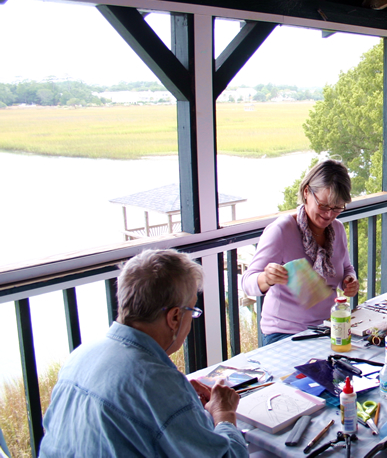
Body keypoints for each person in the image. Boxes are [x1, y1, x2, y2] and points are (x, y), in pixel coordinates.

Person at [40, 249, 247, 458]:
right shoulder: (156, 383)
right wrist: (224, 415)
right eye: (192, 311)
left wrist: (182, 406)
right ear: (175, 317)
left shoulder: (80, 355)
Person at [242, 159, 358, 345]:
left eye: (337, 208)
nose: (329, 214)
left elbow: (346, 268)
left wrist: (350, 281)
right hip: (284, 333)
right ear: (306, 192)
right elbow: (247, 282)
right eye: (323, 205)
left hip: (326, 327)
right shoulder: (282, 230)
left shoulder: (337, 229)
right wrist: (267, 278)